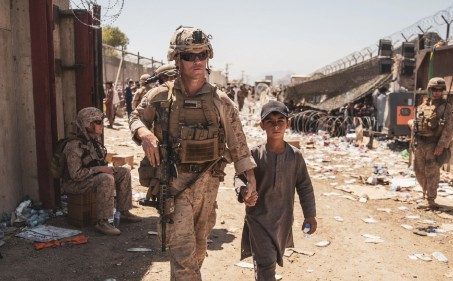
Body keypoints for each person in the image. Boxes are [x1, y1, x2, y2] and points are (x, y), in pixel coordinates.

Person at [129, 26, 258, 280]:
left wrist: (249, 177)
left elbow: (238, 144)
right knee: (184, 256)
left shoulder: (221, 102)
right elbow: (135, 117)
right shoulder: (159, 97)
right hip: (175, 187)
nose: (197, 61)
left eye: (202, 55)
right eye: (189, 56)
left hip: (208, 185)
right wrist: (144, 134)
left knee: (198, 251)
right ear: (177, 59)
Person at [238, 100, 317, 281]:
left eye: (280, 120)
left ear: (287, 124)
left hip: (282, 220)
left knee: (269, 261)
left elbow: (304, 186)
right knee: (266, 264)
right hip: (258, 219)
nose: (276, 126)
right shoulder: (254, 154)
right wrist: (244, 192)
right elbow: (240, 179)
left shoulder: (295, 156)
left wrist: (310, 215)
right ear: (262, 125)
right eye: (270, 121)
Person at [62, 107, 142, 235]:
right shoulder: (74, 146)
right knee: (106, 178)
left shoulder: (93, 141)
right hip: (74, 184)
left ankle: (124, 211)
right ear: (88, 124)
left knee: (123, 172)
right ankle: (102, 222)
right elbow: (76, 175)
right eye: (98, 122)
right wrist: (99, 169)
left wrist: (105, 168)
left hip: (89, 178)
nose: (101, 126)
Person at [412, 77, 453, 210]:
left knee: (431, 171)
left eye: (440, 90)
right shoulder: (422, 105)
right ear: (429, 90)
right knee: (419, 170)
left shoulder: (445, 107)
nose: (437, 92)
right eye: (434, 89)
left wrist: (441, 145)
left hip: (433, 144)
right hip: (420, 143)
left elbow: (450, 127)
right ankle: (424, 194)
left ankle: (431, 200)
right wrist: (413, 142)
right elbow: (416, 125)